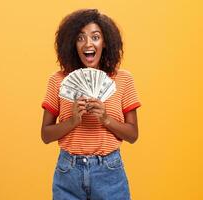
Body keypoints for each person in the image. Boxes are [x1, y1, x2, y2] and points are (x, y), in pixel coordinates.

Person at [41, 9, 141, 200]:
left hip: (109, 172)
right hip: (68, 171)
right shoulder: (58, 80)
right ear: (72, 44)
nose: (88, 43)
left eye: (95, 37)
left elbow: (133, 135)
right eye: (80, 38)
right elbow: (45, 135)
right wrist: (73, 121)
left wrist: (105, 118)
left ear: (105, 43)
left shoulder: (123, 80)